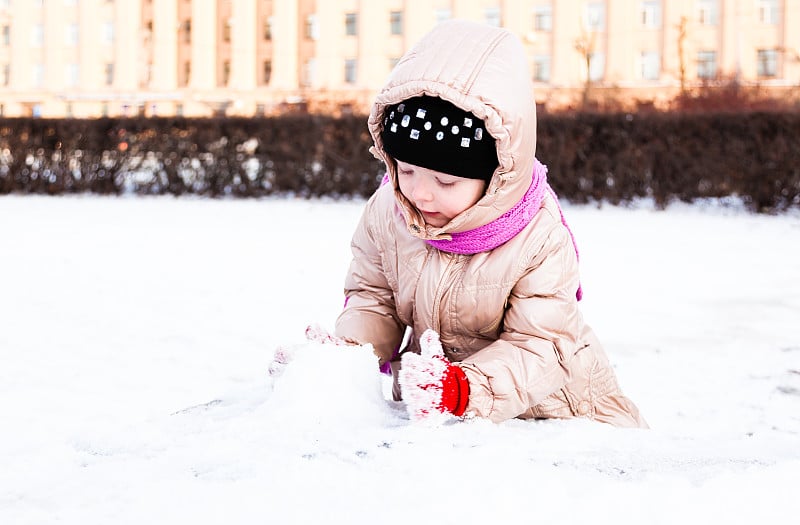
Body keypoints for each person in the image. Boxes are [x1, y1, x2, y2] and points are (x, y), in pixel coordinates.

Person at [330, 19, 647, 427]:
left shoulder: (537, 236)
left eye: (446, 180)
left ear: (496, 174)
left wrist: (463, 389)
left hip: (558, 416)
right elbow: (374, 298)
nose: (420, 194)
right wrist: (343, 356)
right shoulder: (389, 210)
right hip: (449, 412)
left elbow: (541, 344)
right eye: (406, 170)